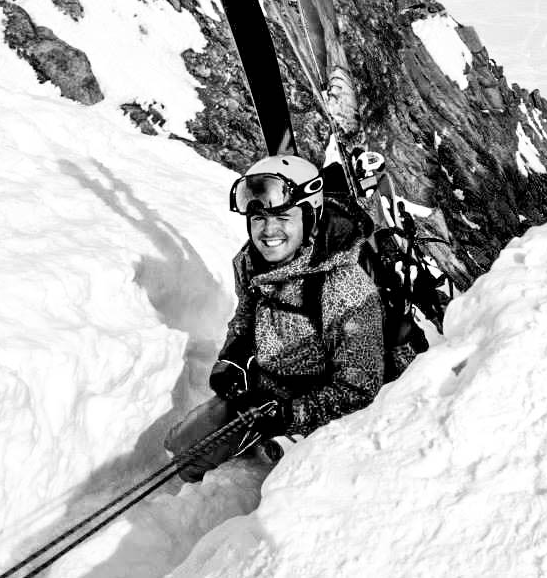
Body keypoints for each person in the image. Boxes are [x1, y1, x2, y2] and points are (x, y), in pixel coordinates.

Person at [164, 154, 385, 481]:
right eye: (258, 219)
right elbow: (246, 316)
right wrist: (232, 358)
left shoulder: (343, 285)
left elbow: (360, 389)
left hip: (321, 407)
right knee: (180, 448)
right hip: (265, 394)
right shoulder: (252, 263)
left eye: (283, 217)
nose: (268, 231)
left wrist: (288, 416)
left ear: (310, 215)